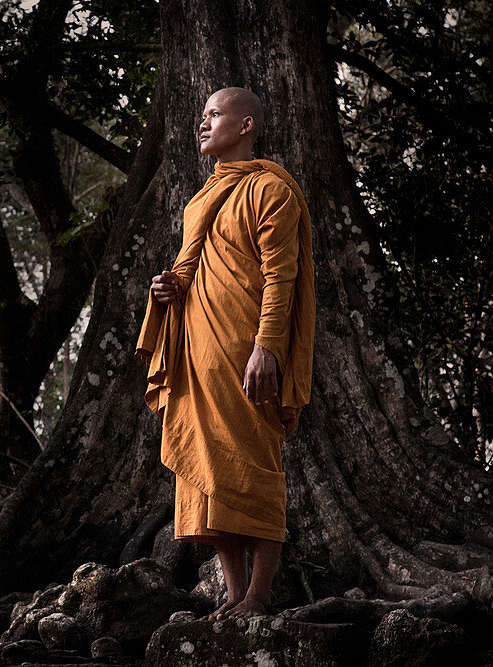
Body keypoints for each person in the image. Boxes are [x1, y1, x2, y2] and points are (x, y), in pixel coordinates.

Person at [136, 86, 315, 619]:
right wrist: (165, 290)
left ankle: (260, 595)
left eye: (215, 114)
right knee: (211, 476)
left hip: (246, 354)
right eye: (202, 115)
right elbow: (189, 271)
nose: (203, 122)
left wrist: (267, 348)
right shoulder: (198, 201)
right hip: (197, 354)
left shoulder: (270, 190)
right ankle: (234, 594)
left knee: (254, 466)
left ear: (246, 126)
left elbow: (281, 277)